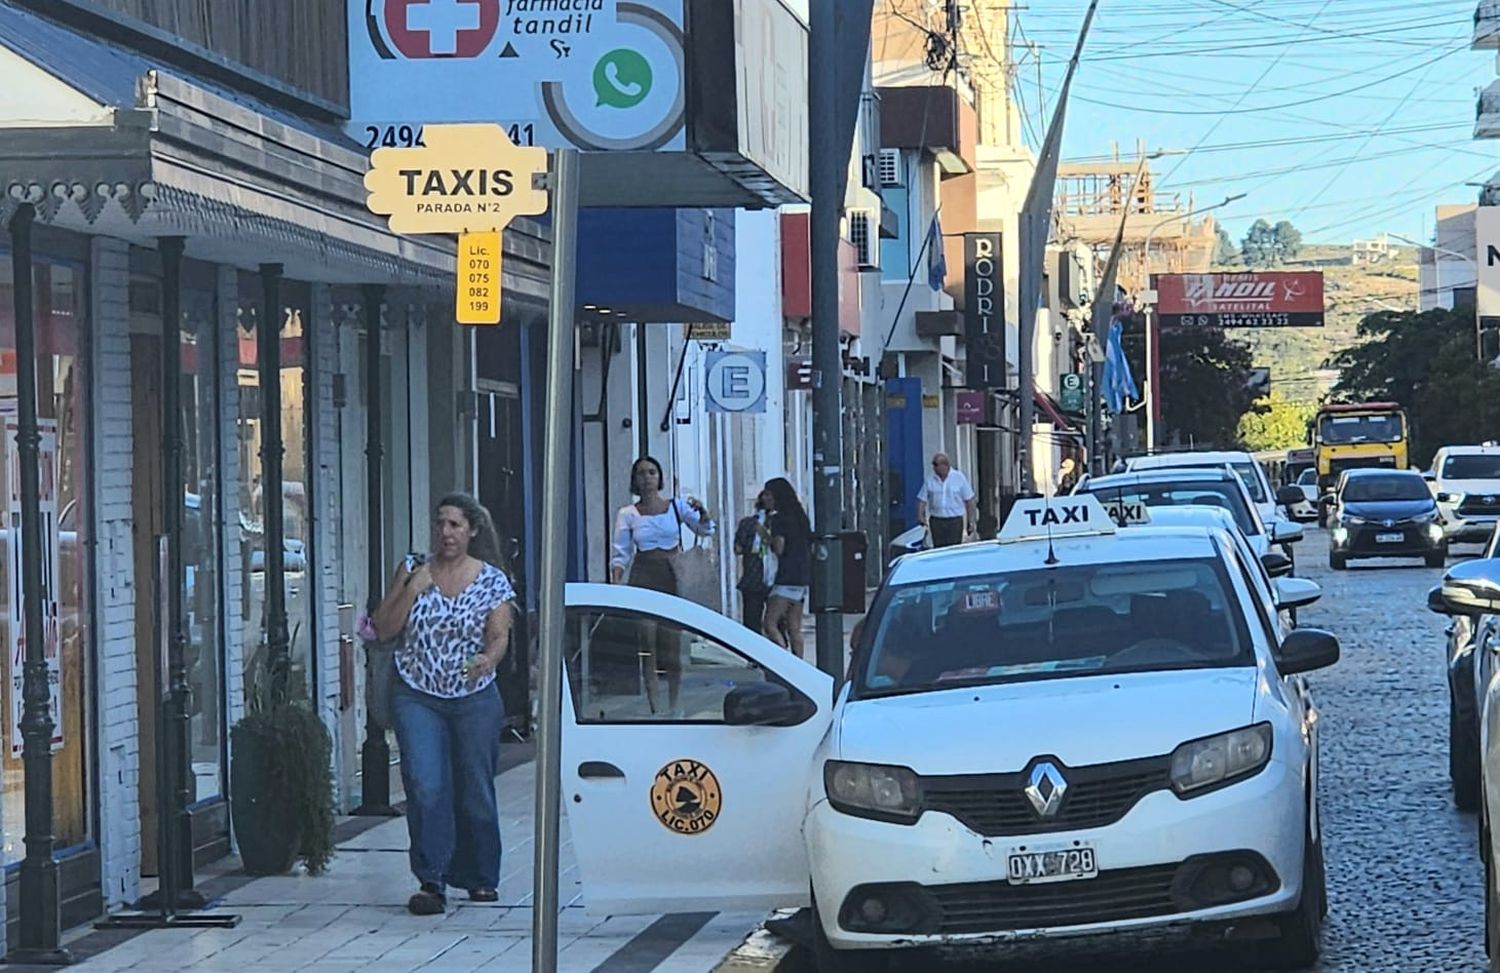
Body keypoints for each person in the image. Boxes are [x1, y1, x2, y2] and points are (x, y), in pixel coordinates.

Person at [371, 493, 515, 917]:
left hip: (474, 697)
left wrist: (488, 659)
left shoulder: (491, 580)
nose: (446, 533)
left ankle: (480, 876)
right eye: (440, 524)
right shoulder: (413, 568)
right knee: (426, 784)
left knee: (474, 787)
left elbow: (499, 636)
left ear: (472, 530)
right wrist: (410, 590)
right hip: (418, 693)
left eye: (454, 525)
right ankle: (431, 880)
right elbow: (382, 629)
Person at [610, 456, 715, 715]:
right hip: (644, 574)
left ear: (660, 477)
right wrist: (616, 576)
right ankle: (654, 705)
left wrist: (703, 512)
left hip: (672, 574)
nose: (647, 478)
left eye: (652, 472)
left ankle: (675, 704)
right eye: (641, 473)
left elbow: (705, 530)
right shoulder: (628, 514)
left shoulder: (676, 507)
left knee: (672, 644)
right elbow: (621, 550)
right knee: (647, 643)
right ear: (634, 480)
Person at [760, 477, 811, 658]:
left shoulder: (779, 519)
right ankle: (800, 664)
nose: (764, 498)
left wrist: (765, 535)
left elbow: (779, 548)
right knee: (794, 627)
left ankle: (785, 662)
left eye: (768, 493)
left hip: (785, 578)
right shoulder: (800, 517)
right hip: (802, 577)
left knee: (770, 624)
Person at [733, 489, 774, 634]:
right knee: (760, 624)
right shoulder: (748, 524)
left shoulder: (780, 523)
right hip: (756, 578)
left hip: (764, 578)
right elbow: (738, 548)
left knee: (759, 624)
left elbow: (738, 548)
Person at [917, 452, 976, 548]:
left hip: (954, 521)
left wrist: (971, 521)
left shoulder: (959, 478)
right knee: (938, 548)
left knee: (953, 549)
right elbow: (922, 500)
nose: (933, 467)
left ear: (945, 465)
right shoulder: (930, 479)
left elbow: (969, 500)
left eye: (936, 464)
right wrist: (920, 516)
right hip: (937, 521)